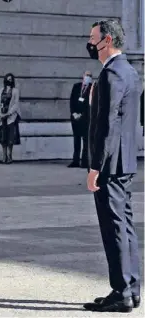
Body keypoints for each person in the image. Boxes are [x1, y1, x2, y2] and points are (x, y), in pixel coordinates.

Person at [83, 19, 141, 313]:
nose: (89, 43)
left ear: (106, 41)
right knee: (125, 226)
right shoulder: (129, 71)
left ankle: (121, 292)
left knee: (114, 228)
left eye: (93, 38)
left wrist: (95, 165)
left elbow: (108, 125)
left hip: (111, 164)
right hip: (125, 160)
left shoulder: (111, 75)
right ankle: (131, 288)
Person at [0, 73, 21, 164]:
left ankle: (10, 156)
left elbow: (16, 104)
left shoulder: (15, 91)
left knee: (10, 138)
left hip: (10, 118)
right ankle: (4, 156)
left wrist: (8, 113)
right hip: (1, 117)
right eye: (8, 79)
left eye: (11, 79)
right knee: (2, 137)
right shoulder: (1, 90)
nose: (9, 81)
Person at [68, 71, 93, 168]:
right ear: (83, 76)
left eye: (90, 76)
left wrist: (82, 115)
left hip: (85, 118)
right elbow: (72, 100)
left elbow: (90, 104)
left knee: (86, 140)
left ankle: (85, 161)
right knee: (76, 139)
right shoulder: (76, 86)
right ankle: (75, 160)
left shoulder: (92, 88)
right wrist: (74, 113)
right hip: (75, 118)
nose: (88, 77)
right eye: (86, 75)